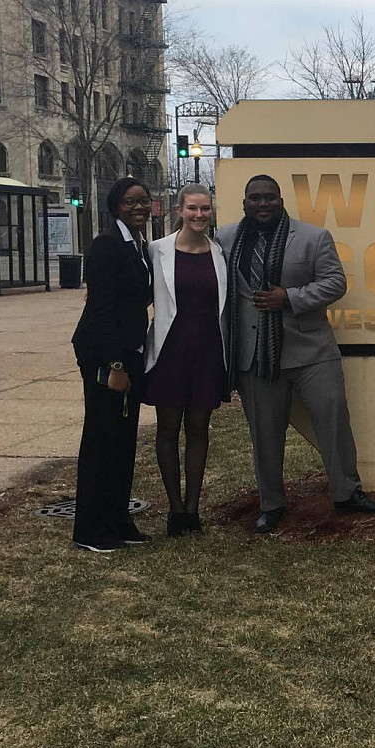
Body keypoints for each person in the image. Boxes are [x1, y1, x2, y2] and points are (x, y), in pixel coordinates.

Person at [217, 174, 375, 533]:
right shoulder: (225, 239)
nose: (262, 204)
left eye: (270, 198)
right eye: (255, 198)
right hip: (255, 356)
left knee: (333, 422)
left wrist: (290, 298)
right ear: (244, 203)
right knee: (264, 433)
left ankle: (347, 493)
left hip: (311, 350)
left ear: (281, 201)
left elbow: (335, 282)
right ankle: (271, 504)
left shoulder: (313, 237)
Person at [69, 177, 154, 553]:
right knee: (102, 441)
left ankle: (119, 519)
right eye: (130, 202)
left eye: (144, 201)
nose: (139, 207)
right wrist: (115, 364)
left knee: (123, 441)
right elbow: (101, 309)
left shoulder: (138, 246)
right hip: (105, 355)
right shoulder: (106, 246)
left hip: (131, 351)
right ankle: (91, 529)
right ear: (115, 207)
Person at [144, 185, 229, 537]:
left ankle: (192, 509)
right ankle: (174, 509)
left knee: (198, 431)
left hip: (207, 352)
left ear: (211, 212)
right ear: (179, 210)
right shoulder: (157, 251)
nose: (198, 215)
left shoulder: (220, 253)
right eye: (192, 208)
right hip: (169, 352)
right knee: (167, 431)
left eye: (205, 209)